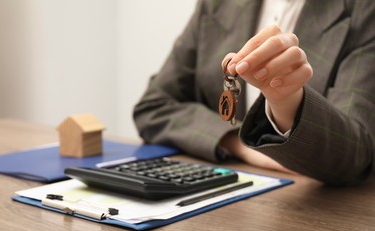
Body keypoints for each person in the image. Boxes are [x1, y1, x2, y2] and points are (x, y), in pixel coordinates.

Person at [133, 0, 375, 185]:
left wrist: (287, 101)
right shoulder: (219, 4)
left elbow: (356, 155)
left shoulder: (364, 10)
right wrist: (237, 142)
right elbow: (153, 106)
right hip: (220, 199)